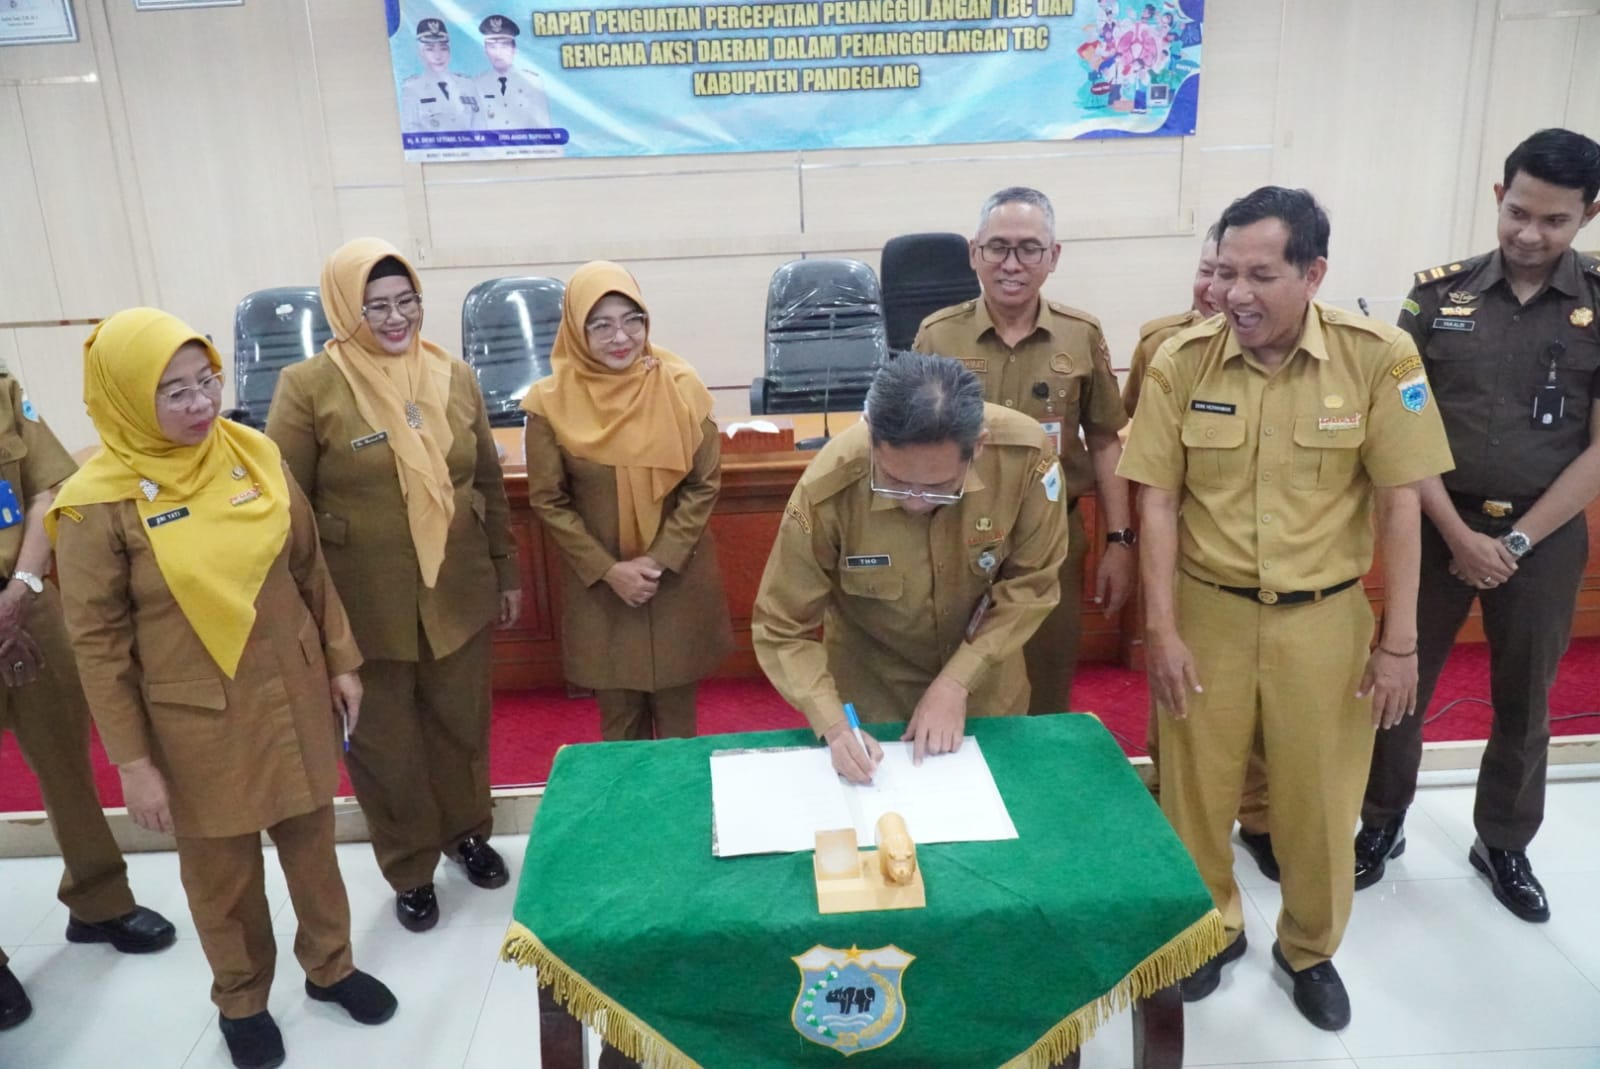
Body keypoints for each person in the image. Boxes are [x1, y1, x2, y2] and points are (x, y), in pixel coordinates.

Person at [1118, 187, 1453, 1030]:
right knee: (1195, 791)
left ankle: (1310, 947)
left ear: (1314, 273)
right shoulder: (1181, 360)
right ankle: (1211, 927)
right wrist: (1159, 628)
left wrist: (1401, 644)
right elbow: (1154, 500)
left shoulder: (1378, 357)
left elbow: (1401, 502)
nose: (1235, 293)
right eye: (1225, 270)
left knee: (1319, 800)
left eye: (1260, 274)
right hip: (1207, 611)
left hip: (1325, 619)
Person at [50, 308, 396, 1069]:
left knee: (313, 848)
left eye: (206, 381)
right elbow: (98, 647)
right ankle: (241, 998)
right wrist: (134, 762)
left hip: (292, 690)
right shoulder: (96, 502)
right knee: (222, 876)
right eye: (173, 392)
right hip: (193, 721)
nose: (201, 404)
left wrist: (340, 658)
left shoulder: (255, 454)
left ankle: (330, 966)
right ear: (126, 400)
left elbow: (309, 568)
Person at [1356, 128, 1600, 921]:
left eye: (1555, 221)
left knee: (1526, 696)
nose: (1531, 235)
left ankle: (1503, 840)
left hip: (1548, 534)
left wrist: (1518, 540)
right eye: (1520, 213)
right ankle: (1381, 821)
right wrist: (1460, 537)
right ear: (1500, 197)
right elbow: (1399, 427)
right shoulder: (1437, 295)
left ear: (1588, 216)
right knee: (1399, 680)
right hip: (1432, 524)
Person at [266, 238, 521, 934]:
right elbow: (284, 506)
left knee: (461, 726)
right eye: (376, 305)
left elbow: (489, 484)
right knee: (385, 744)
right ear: (345, 309)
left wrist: (504, 568)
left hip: (457, 589)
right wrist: (311, 617)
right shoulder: (309, 386)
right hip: (362, 604)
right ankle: (409, 867)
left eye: (406, 300)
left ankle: (467, 832)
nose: (395, 317)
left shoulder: (453, 375)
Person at [752, 352, 1069, 783]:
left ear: (976, 446)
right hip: (869, 709)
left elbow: (1031, 584)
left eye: (939, 487)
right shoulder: (829, 487)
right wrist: (833, 723)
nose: (916, 502)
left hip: (987, 695)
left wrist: (959, 680)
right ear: (872, 440)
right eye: (895, 483)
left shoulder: (1026, 458)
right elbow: (781, 625)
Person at [0, 370, 177, 1033]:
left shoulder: (4, 391)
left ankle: (98, 898)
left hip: (26, 597)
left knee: (66, 760)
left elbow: (48, 487)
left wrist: (20, 586)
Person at [914, 186, 1132, 718]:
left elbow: (1105, 439)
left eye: (1029, 248)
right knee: (955, 684)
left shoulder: (1081, 336)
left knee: (1047, 689)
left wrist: (1120, 541)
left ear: (1053, 257)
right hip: (955, 538)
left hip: (1053, 539)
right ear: (974, 253)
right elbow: (910, 445)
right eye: (998, 247)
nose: (1011, 264)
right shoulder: (938, 336)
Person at [522, 261, 732, 740]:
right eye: (601, 325)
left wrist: (658, 561)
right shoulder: (550, 404)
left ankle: (682, 817)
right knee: (620, 737)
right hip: (604, 589)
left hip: (676, 581)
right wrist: (608, 570)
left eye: (631, 320)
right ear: (577, 331)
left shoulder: (681, 388)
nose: (620, 337)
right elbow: (549, 500)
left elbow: (704, 484)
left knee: (680, 734)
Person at [1124, 229, 1277, 882]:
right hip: (1184, 556)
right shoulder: (1164, 344)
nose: (1217, 288)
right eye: (1208, 270)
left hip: (1263, 555)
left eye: (1236, 273)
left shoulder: (1286, 348)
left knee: (1265, 711)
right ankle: (1175, 819)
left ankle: (1263, 817)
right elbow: (1137, 445)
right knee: (1183, 704)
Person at [1122, 225, 1221, 418]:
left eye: (1230, 274)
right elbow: (1134, 423)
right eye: (1206, 271)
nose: (1216, 289)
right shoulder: (1160, 343)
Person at [399, 18, 479, 134]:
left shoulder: (467, 85)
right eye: (430, 50)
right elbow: (411, 130)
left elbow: (480, 126)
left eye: (443, 49)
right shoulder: (412, 88)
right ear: (421, 54)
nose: (438, 56)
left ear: (449, 52)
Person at [474, 14, 554, 131]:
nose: (498, 53)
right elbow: (475, 130)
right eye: (492, 47)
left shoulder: (532, 81)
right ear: (485, 51)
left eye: (504, 46)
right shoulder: (477, 84)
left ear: (514, 50)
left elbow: (543, 128)